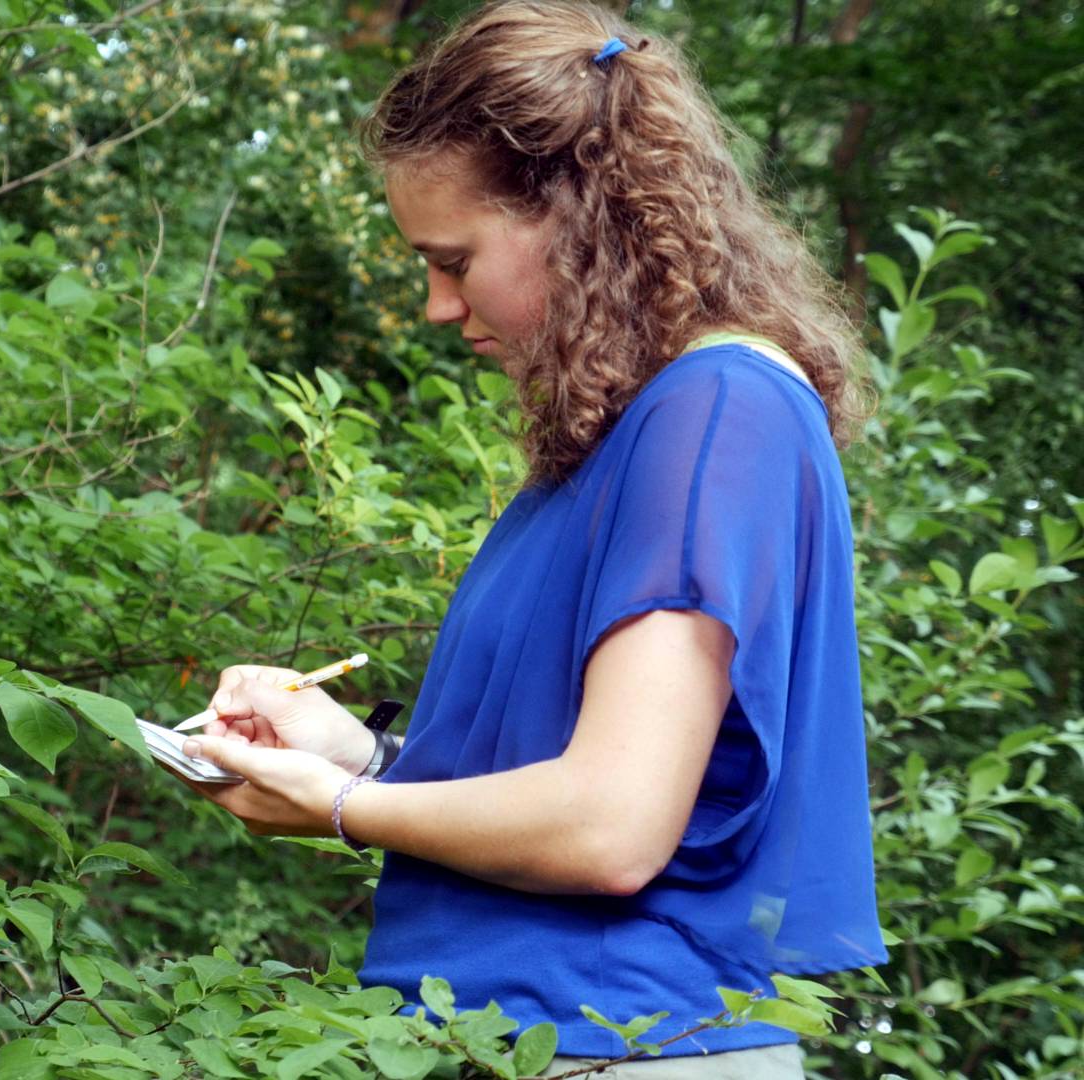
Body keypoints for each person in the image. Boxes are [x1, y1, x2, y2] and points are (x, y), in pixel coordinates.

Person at [171, 1, 887, 1074]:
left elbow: (609, 827)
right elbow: (577, 780)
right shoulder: (629, 435)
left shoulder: (714, 415)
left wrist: (344, 808)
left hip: (627, 1050)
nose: (435, 305)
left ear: (579, 215)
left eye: (452, 261)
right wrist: (357, 755)